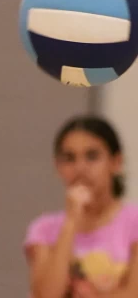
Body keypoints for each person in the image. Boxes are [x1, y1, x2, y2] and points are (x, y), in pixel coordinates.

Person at [23, 115, 138, 298]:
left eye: (92, 156)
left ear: (116, 162)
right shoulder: (44, 229)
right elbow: (45, 295)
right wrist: (71, 221)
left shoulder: (134, 223)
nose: (80, 168)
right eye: (69, 158)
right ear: (57, 166)